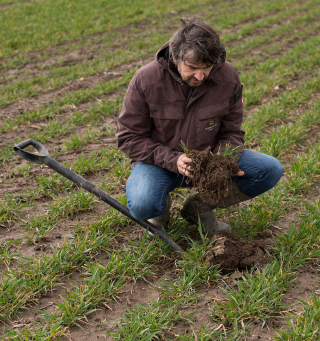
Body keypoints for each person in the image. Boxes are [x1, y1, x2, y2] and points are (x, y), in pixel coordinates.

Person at [116, 16, 283, 235]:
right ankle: (159, 213)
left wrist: (220, 163)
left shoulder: (228, 76)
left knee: (269, 170)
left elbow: (232, 131)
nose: (200, 76)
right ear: (175, 57)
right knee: (142, 203)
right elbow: (128, 137)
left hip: (210, 159)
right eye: (193, 68)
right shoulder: (146, 80)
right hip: (159, 163)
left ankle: (199, 208)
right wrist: (172, 160)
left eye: (207, 68)